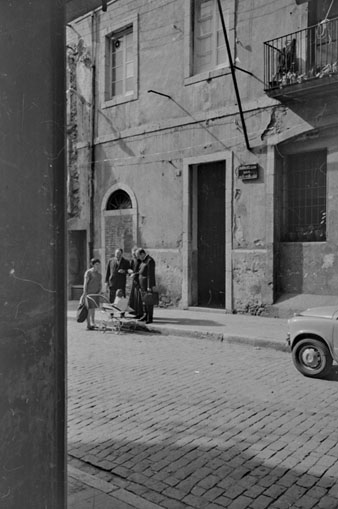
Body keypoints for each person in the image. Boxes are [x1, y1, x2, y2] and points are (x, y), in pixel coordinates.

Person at [137, 248, 156, 324]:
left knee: (149, 302)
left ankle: (149, 317)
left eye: (139, 256)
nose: (138, 258)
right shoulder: (143, 261)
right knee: (144, 302)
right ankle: (145, 315)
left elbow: (150, 275)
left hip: (147, 285)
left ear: (142, 254)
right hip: (142, 285)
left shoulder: (150, 261)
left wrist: (149, 286)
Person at [82, 258, 102, 330]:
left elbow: (100, 284)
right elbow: (85, 283)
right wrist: (85, 293)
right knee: (89, 309)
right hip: (89, 294)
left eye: (99, 264)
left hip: (95, 294)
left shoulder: (99, 274)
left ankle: (93, 323)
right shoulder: (88, 272)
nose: (98, 266)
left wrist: (99, 291)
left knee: (93, 309)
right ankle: (88, 324)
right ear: (93, 265)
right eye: (96, 264)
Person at [127, 247, 143, 319]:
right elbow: (130, 268)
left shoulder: (140, 261)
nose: (133, 255)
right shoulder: (133, 260)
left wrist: (135, 274)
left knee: (139, 298)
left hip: (139, 280)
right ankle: (134, 312)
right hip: (134, 281)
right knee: (134, 298)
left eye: (135, 254)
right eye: (133, 253)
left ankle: (140, 313)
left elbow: (141, 271)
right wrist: (129, 271)